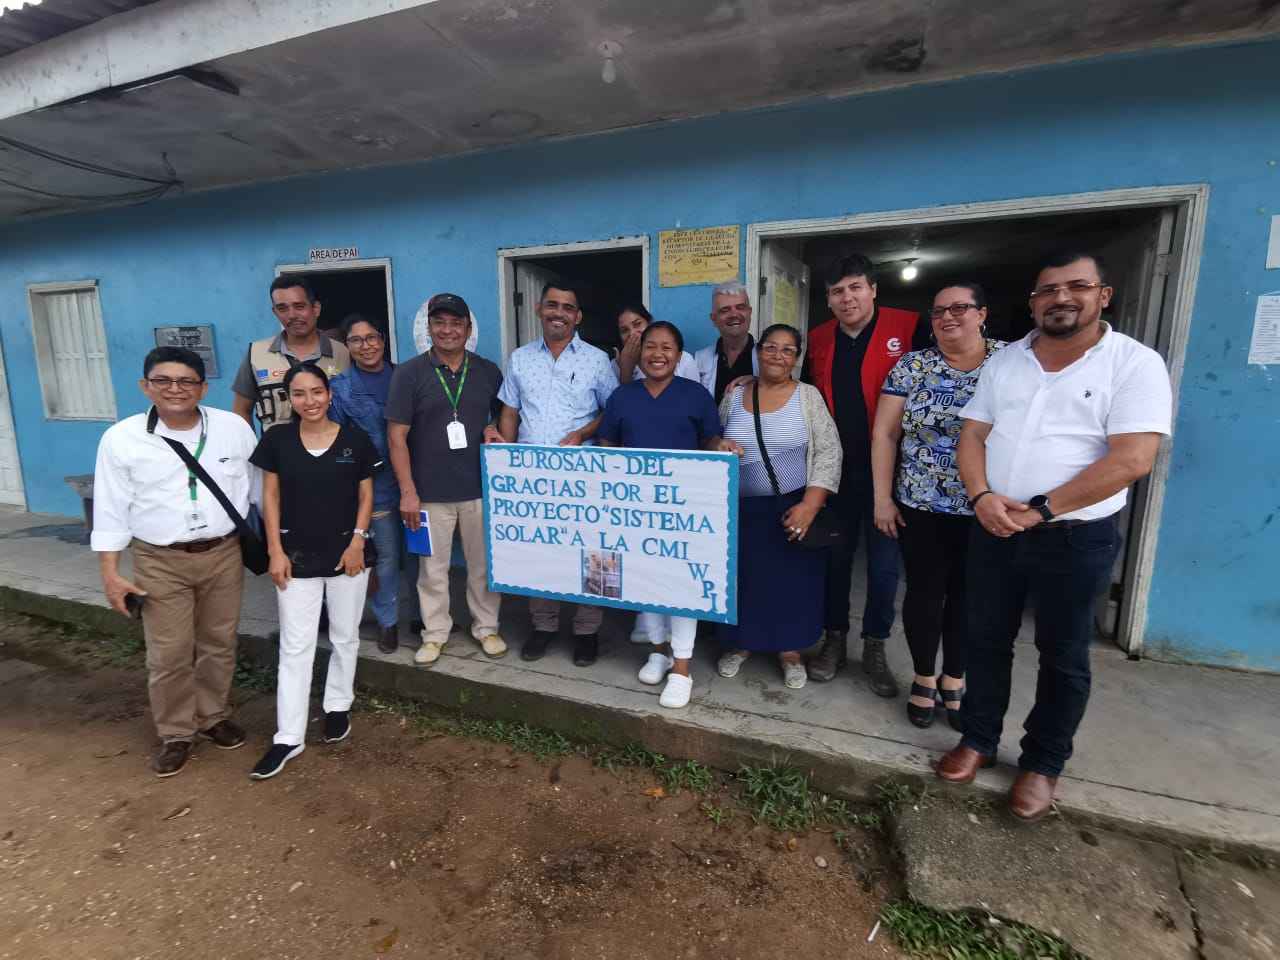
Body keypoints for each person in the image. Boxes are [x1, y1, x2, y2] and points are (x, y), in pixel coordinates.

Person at [936, 252, 1172, 823]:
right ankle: (979, 739)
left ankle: (1042, 763)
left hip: (1074, 536)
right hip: (992, 525)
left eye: (1077, 287)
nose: (1061, 298)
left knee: (1062, 655)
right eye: (1048, 290)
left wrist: (1042, 510)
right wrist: (981, 497)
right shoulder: (1007, 361)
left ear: (1103, 295)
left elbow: (1133, 459)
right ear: (1033, 300)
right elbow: (973, 436)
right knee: (983, 638)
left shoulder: (1134, 364)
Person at [92, 347, 258, 777]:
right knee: (169, 652)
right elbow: (110, 508)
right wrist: (110, 573)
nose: (175, 390)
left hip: (223, 553)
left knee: (219, 643)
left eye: (186, 381)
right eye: (163, 381)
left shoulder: (233, 430)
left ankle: (213, 716)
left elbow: (259, 491)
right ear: (145, 386)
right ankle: (176, 732)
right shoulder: (122, 439)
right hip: (158, 559)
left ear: (203, 388)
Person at [871, 282, 1005, 730]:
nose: (948, 317)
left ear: (982, 313)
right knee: (926, 595)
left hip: (987, 506)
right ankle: (925, 676)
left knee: (971, 598)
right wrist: (882, 498)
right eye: (939, 311)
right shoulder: (913, 365)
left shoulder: (1011, 362)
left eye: (960, 308)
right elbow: (886, 434)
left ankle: (955, 676)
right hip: (921, 505)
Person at [597, 321, 741, 708]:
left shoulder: (695, 396)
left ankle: (681, 668)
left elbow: (710, 439)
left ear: (679, 356)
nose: (657, 354)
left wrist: (721, 445)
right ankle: (658, 651)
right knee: (645, 581)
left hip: (683, 508)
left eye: (667, 348)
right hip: (635, 507)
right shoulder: (622, 397)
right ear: (639, 352)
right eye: (650, 347)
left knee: (681, 584)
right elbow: (607, 444)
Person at [248, 363, 380, 780]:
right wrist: (274, 550)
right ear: (290, 398)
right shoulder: (277, 440)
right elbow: (269, 497)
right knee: (296, 644)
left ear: (330, 394)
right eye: (300, 393)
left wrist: (358, 540)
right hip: (295, 556)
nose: (310, 401)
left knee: (345, 636)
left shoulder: (355, 440)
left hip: (348, 554)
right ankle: (288, 736)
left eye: (317, 392)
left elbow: (366, 494)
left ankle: (338, 705)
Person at [802, 254, 919, 698]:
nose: (846, 297)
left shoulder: (909, 327)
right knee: (835, 559)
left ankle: (875, 645)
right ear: (828, 301)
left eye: (854, 287)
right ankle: (834, 640)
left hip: (891, 470)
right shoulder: (818, 339)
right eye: (836, 291)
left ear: (873, 289)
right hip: (836, 470)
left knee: (885, 566)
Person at [488, 278, 619, 667]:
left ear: (577, 316)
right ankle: (543, 626)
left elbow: (611, 412)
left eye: (567, 307)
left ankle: (587, 631)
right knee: (539, 548)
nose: (558, 312)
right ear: (539, 310)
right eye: (552, 305)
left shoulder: (597, 360)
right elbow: (510, 410)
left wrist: (581, 433)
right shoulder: (520, 358)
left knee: (595, 550)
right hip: (532, 476)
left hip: (585, 473)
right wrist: (508, 461)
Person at [716, 324, 842, 689]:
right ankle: (742, 644)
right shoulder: (735, 393)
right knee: (746, 579)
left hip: (793, 505)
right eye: (770, 347)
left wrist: (810, 506)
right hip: (741, 508)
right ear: (758, 352)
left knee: (793, 581)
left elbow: (829, 453)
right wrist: (719, 444)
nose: (777, 355)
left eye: (788, 350)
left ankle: (790, 651)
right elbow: (714, 436)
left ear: (797, 358)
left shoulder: (808, 397)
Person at [386, 293, 506, 666]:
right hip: (428, 494)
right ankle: (435, 633)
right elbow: (396, 437)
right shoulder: (409, 374)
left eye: (456, 323)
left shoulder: (488, 371)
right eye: (440, 322)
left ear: (468, 329)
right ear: (429, 328)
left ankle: (486, 627)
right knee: (432, 570)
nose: (448, 330)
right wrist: (408, 492)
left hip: (479, 489)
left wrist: (492, 427)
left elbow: (503, 419)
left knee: (482, 567)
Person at [328, 314, 402, 655]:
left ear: (383, 340)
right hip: (376, 485)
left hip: (419, 480)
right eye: (356, 340)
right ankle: (388, 621)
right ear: (348, 346)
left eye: (371, 337)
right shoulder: (341, 388)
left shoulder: (406, 377)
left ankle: (420, 617)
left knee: (419, 555)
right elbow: (338, 440)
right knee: (385, 556)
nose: (366, 345)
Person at [231, 276, 350, 432]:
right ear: (275, 312)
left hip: (331, 451)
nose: (292, 315)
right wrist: (254, 450)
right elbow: (241, 410)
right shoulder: (256, 353)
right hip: (275, 454)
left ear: (316, 309)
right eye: (282, 308)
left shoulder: (342, 353)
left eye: (299, 306)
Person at [694, 282, 760, 404]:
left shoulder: (766, 356)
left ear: (750, 313)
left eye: (740, 307)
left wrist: (761, 382)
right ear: (714, 319)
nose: (734, 314)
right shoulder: (699, 359)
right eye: (725, 310)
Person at [613, 303, 701, 384]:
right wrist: (626, 369)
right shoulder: (616, 365)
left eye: (637, 324)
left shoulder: (683, 360)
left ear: (649, 323)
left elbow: (694, 397)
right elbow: (622, 400)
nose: (632, 333)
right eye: (624, 330)